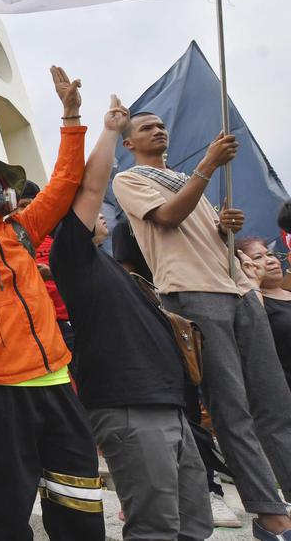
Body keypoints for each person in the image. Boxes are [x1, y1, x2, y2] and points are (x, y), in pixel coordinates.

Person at [0, 66, 103, 540]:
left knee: (78, 500)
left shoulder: (24, 229)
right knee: (8, 511)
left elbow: (65, 182)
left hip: (57, 382)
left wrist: (71, 118)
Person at [114, 114, 291, 540]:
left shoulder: (183, 178)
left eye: (161, 125)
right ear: (129, 144)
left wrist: (224, 226)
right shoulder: (129, 179)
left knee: (275, 404)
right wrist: (208, 165)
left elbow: (202, 231)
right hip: (192, 294)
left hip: (239, 288)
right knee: (231, 409)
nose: (158, 130)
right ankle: (270, 515)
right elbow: (169, 217)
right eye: (146, 128)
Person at [49, 98, 212, 540]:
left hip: (170, 408)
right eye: (90, 213)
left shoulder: (122, 273)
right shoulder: (72, 257)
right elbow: (90, 189)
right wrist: (108, 129)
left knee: (195, 526)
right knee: (154, 529)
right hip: (129, 408)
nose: (101, 214)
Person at [18, 180, 75, 370]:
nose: (27, 211)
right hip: (49, 327)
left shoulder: (59, 233)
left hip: (79, 316)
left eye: (30, 204)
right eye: (21, 206)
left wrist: (55, 274)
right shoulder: (11, 244)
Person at [236, 237, 291, 390]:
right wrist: (253, 283)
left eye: (270, 254)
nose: (270, 261)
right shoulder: (253, 305)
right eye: (258, 257)